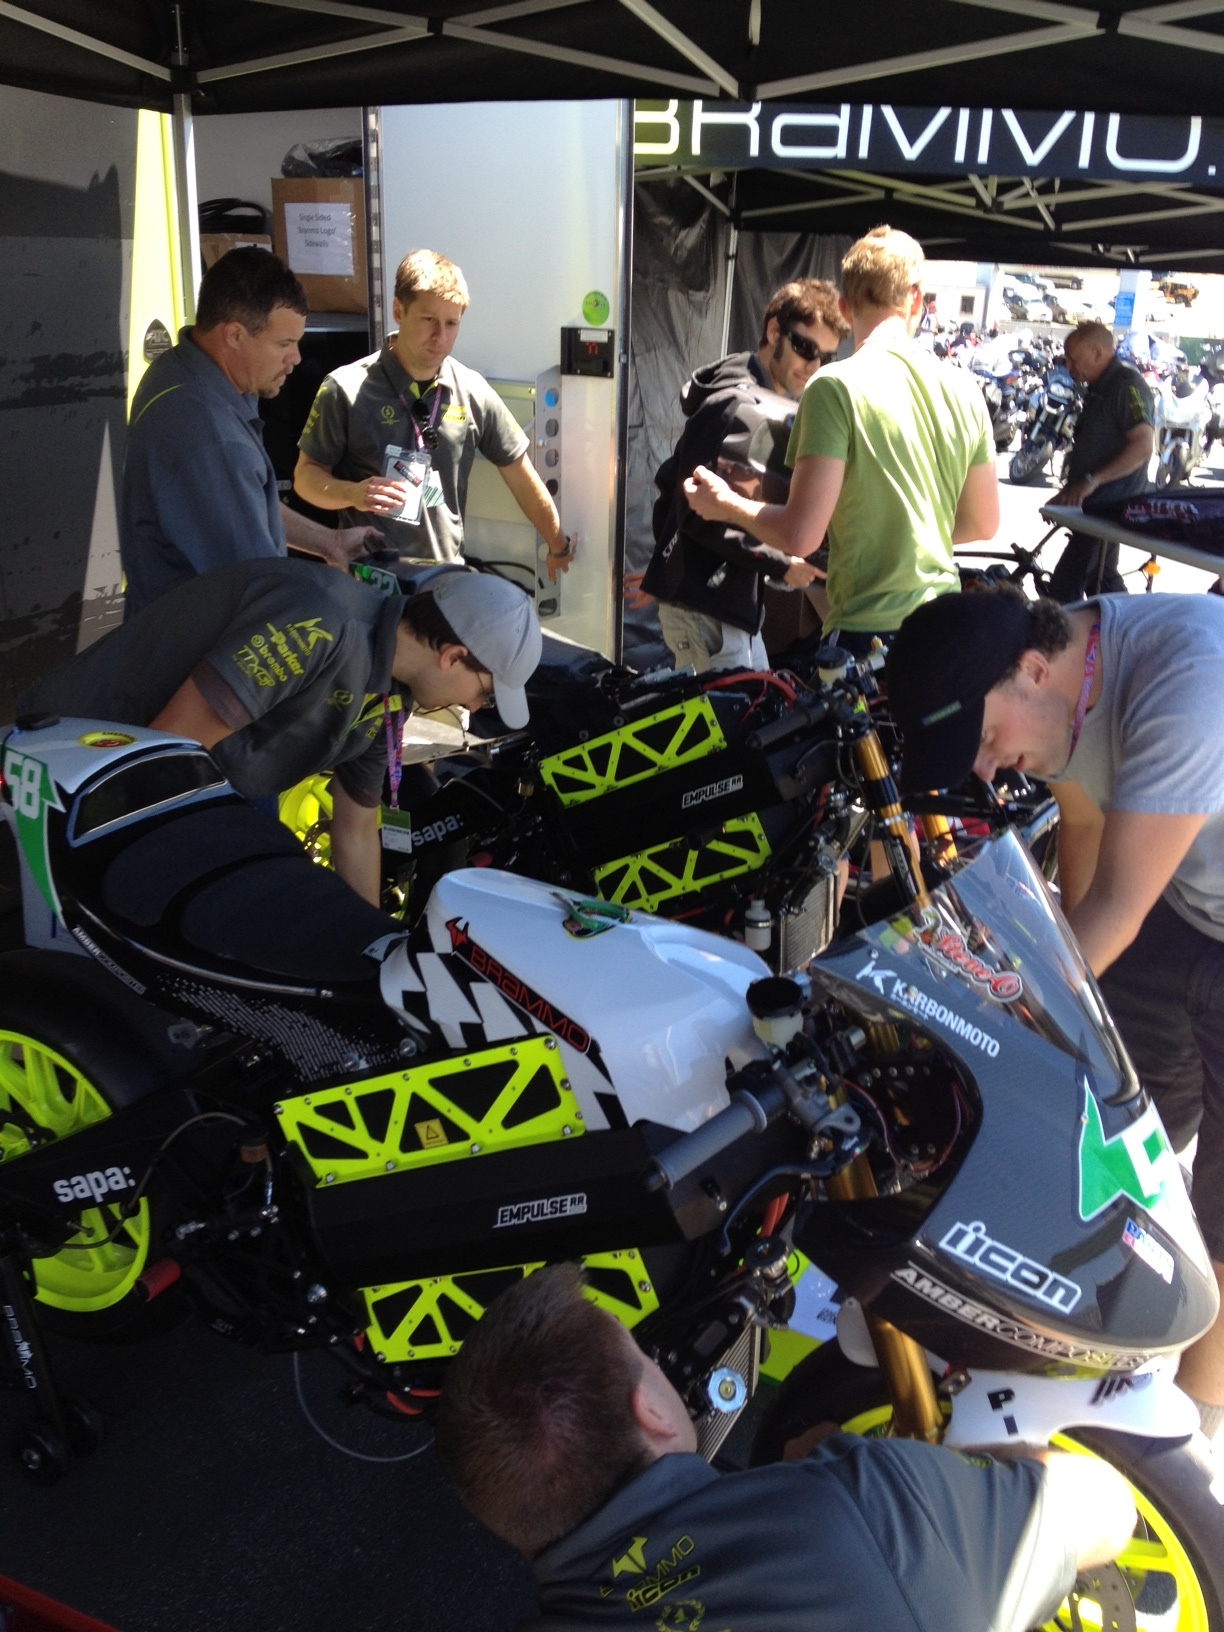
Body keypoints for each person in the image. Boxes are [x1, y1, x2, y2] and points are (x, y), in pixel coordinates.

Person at [885, 584, 1224, 1444]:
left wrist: (992, 1026)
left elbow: (1116, 908)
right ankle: (1106, 1350)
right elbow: (1082, 838)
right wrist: (1057, 1007)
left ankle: (1187, 1442)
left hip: (1160, 898)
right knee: (1114, 1135)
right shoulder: (1067, 666)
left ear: (1033, 672)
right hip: (1187, 901)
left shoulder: (1189, 683)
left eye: (985, 740)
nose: (987, 769)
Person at [435, 1263, 1134, 1631]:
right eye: (642, 1356)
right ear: (649, 1410)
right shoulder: (871, 1502)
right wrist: (932, 1480)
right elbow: (1106, 1509)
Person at [18, 559, 541, 907]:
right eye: (485, 692)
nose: (475, 707)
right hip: (74, 763)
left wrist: (369, 944)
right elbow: (166, 754)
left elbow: (356, 829)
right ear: (452, 656)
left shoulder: (392, 695)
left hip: (179, 780)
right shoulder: (321, 623)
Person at [683, 225, 999, 655]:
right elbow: (983, 523)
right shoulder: (965, 389)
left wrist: (724, 504)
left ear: (846, 308)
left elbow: (800, 535)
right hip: (944, 628)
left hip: (869, 637)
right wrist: (909, 536)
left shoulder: (835, 387)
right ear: (917, 300)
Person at [121, 247, 378, 618]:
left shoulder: (181, 370)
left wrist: (330, 542)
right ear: (235, 335)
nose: (297, 358)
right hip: (200, 641)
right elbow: (259, 588)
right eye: (284, 344)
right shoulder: (212, 439)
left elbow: (246, 505)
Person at [294, 248, 573, 582]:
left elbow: (522, 477)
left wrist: (557, 545)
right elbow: (305, 478)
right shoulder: (344, 388)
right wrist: (353, 493)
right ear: (398, 311)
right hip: (366, 578)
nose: (440, 336)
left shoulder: (472, 390)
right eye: (428, 320)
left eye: (451, 323)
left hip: (441, 581)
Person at [642, 279, 848, 673]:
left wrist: (665, 569)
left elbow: (671, 484)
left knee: (760, 701)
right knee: (733, 711)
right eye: (806, 348)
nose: (813, 366)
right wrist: (781, 563)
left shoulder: (756, 397)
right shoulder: (731, 402)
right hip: (707, 611)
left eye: (825, 357)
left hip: (725, 608)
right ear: (773, 331)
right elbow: (691, 508)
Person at [1047, 321, 1155, 603]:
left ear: (1097, 352)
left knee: (1063, 591)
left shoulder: (1126, 385)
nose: (1069, 367)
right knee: (1102, 581)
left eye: (1074, 359)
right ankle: (1128, 628)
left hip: (1108, 507)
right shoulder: (1099, 387)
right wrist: (1070, 491)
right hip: (1095, 505)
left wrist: (1090, 482)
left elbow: (1143, 445)